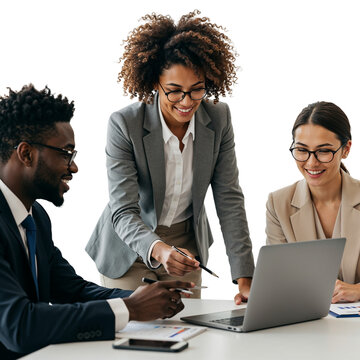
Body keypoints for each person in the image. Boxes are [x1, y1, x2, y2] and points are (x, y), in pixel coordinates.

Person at [0, 84, 192, 360]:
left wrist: (146, 297)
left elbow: (72, 290)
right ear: (26, 154)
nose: (73, 167)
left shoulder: (35, 219)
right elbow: (18, 325)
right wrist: (131, 308)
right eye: (66, 153)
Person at [86, 10, 255, 304]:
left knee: (189, 332)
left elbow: (229, 199)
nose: (187, 102)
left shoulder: (219, 119)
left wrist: (246, 279)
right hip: (130, 248)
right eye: (174, 91)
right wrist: (159, 249)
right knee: (136, 335)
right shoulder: (124, 125)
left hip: (187, 246)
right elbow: (123, 210)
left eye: (197, 90)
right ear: (154, 84)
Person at [266, 101, 360, 303]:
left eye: (324, 151)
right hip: (306, 323)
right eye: (302, 150)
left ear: (346, 149)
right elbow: (278, 279)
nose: (311, 162)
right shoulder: (278, 203)